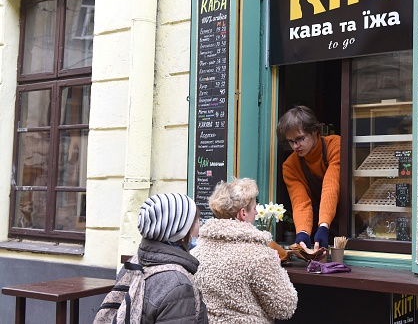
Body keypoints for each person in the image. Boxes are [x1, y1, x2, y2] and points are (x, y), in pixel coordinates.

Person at [191, 178, 298, 323]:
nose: (256, 213)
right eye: (254, 208)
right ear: (243, 213)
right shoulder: (257, 254)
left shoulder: (197, 252)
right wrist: (276, 267)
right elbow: (284, 307)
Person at [125, 193, 207, 323]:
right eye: (196, 221)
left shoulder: (132, 264)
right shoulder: (178, 284)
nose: (199, 227)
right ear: (180, 231)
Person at [277, 105, 340, 251]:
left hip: (346, 222)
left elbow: (331, 185)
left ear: (314, 131)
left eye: (300, 139)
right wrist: (303, 233)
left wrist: (323, 226)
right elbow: (300, 203)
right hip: (318, 225)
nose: (295, 146)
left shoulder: (336, 146)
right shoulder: (290, 166)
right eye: (291, 141)